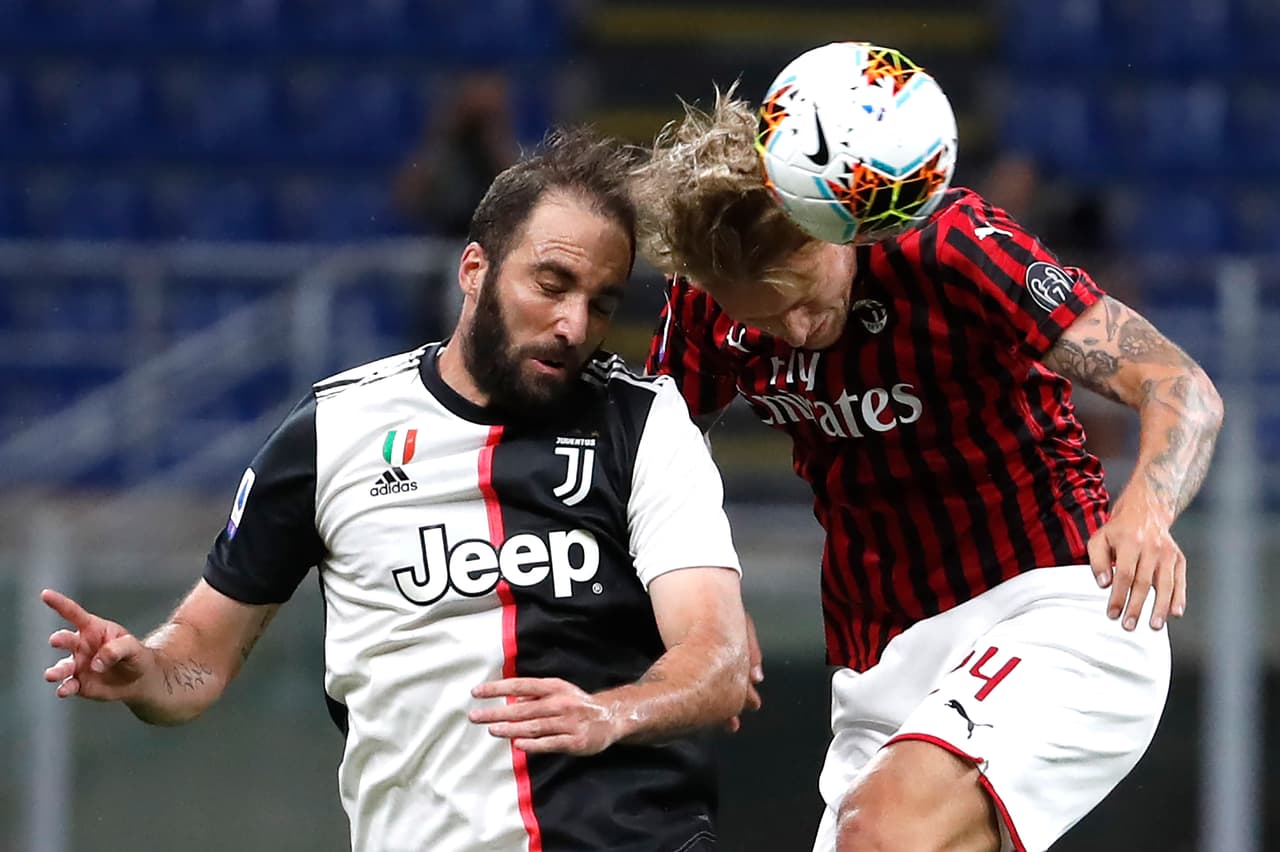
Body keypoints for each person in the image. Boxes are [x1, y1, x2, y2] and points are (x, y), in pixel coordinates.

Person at [41, 129, 755, 852]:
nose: (575, 325)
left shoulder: (647, 421)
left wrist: (613, 715)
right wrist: (146, 672)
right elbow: (199, 658)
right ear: (474, 269)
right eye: (551, 284)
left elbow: (717, 657)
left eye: (601, 303)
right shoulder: (334, 431)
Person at [632, 91, 1224, 852]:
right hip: (877, 657)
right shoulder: (707, 307)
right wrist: (703, 597)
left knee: (887, 830)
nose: (799, 332)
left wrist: (1145, 507)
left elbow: (1178, 385)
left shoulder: (951, 244)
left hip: (1053, 602)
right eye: (768, 321)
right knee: (868, 834)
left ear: (832, 225)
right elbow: (652, 456)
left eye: (803, 298)